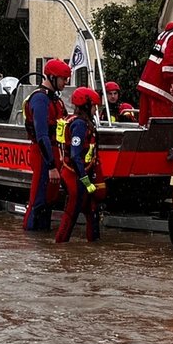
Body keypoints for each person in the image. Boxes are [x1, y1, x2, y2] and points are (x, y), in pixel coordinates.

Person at [22, 58, 71, 232]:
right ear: (52, 77)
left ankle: (43, 242)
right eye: (64, 79)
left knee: (49, 200)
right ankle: (31, 241)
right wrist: (51, 165)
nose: (66, 83)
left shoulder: (56, 100)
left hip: (54, 152)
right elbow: (42, 135)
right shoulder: (40, 99)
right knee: (38, 201)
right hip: (43, 153)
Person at [53, 85, 104, 244]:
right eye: (94, 106)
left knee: (92, 211)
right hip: (74, 175)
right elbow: (75, 156)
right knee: (72, 212)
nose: (96, 110)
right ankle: (60, 245)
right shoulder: (79, 125)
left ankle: (93, 247)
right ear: (87, 105)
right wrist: (86, 181)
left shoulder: (83, 122)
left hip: (81, 173)